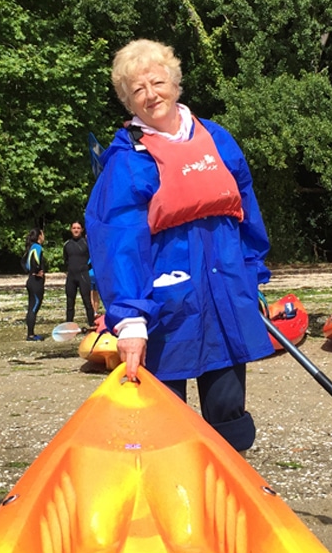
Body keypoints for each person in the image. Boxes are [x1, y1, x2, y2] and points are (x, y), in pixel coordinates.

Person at [85, 39, 272, 454]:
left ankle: (227, 492)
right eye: (138, 90)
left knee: (227, 409)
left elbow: (247, 213)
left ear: (175, 82)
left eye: (157, 81)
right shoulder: (127, 159)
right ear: (127, 100)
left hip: (225, 297)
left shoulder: (217, 139)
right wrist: (130, 321)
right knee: (164, 418)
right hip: (164, 309)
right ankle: (169, 501)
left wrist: (253, 277)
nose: (151, 94)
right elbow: (117, 241)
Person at [63, 221, 96, 327]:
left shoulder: (86, 244)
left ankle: (91, 323)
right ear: (71, 229)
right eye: (74, 228)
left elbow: (95, 259)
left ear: (82, 230)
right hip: (71, 276)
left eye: (78, 228)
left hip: (83, 275)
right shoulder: (67, 244)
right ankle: (69, 324)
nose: (76, 230)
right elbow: (66, 260)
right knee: (70, 302)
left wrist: (86, 268)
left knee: (87, 301)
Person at [22, 228, 47, 340]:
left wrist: (30, 271)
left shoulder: (30, 247)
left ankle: (30, 333)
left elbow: (23, 262)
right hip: (36, 282)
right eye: (43, 234)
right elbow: (35, 261)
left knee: (31, 307)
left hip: (30, 280)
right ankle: (31, 335)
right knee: (34, 307)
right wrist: (37, 271)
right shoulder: (37, 247)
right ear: (39, 236)